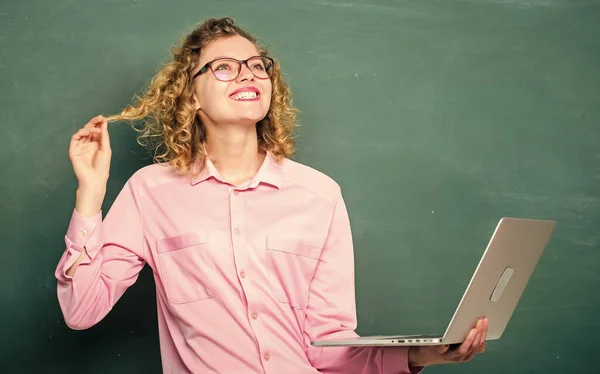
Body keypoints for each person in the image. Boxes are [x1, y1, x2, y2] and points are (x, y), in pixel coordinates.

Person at [56, 17, 487, 373]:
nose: (247, 74)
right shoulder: (151, 192)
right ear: (190, 94)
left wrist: (417, 355)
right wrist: (90, 197)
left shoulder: (319, 195)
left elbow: (329, 347)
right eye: (223, 67)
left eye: (257, 65)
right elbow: (82, 310)